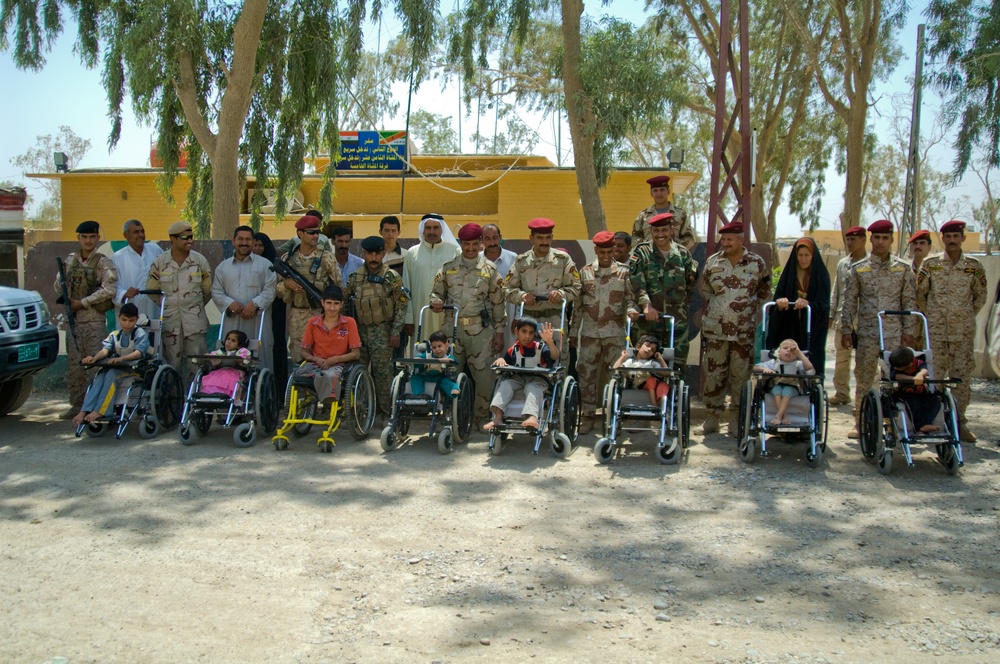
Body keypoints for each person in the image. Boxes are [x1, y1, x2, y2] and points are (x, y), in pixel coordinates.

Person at [841, 219, 916, 438]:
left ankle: (893, 421)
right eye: (877, 238)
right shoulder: (859, 269)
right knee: (864, 377)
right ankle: (861, 421)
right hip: (867, 333)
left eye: (885, 238)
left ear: (892, 239)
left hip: (894, 334)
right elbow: (850, 301)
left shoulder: (902, 269)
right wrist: (846, 329)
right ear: (871, 239)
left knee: (893, 379)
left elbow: (909, 302)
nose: (881, 242)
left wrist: (909, 331)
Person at [916, 219, 987, 442]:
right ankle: (933, 422)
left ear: (963, 238)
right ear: (943, 238)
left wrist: (962, 316)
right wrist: (935, 317)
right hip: (936, 334)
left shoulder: (974, 266)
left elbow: (980, 297)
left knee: (961, 379)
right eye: (948, 236)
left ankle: (959, 423)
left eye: (957, 236)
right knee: (934, 379)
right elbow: (921, 295)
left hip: (962, 334)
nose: (952, 240)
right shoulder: (930, 264)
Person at [699, 221, 771, 436]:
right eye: (724, 239)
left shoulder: (756, 263)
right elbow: (706, 290)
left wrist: (746, 309)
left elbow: (764, 290)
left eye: (730, 239)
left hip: (742, 331)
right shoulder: (713, 263)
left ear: (741, 240)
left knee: (740, 376)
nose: (726, 243)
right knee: (714, 374)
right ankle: (713, 417)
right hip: (716, 330)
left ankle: (735, 418)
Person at [430, 223, 506, 422]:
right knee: (448, 373)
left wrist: (499, 332)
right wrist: (435, 301)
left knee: (484, 379)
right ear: (460, 243)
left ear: (480, 243)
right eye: (466, 244)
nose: (470, 248)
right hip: (452, 331)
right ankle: (451, 416)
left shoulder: (490, 270)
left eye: (474, 243)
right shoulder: (448, 268)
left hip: (481, 332)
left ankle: (481, 418)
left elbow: (498, 304)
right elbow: (436, 293)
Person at [571, 230, 640, 434]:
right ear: (596, 251)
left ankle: (613, 417)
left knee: (616, 376)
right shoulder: (584, 273)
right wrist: (574, 331)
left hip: (615, 333)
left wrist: (632, 310)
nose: (607, 256)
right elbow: (578, 306)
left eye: (610, 251)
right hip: (590, 334)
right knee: (586, 376)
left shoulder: (624, 272)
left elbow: (630, 299)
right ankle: (587, 417)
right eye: (602, 252)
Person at [55, 220, 118, 418]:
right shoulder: (70, 261)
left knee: (97, 365)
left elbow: (109, 289)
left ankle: (98, 406)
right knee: (75, 366)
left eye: (92, 237)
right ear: (78, 238)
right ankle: (77, 405)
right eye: (84, 237)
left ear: (98, 238)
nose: (88, 241)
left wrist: (83, 302)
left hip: (93, 320)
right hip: (73, 320)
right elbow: (58, 286)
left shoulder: (102, 262)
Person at [346, 235, 409, 421]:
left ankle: (387, 412)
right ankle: (361, 412)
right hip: (359, 332)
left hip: (383, 331)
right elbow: (343, 304)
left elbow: (402, 304)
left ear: (383, 253)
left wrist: (396, 331)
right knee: (357, 373)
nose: (373, 258)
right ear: (363, 254)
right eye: (369, 254)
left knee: (383, 375)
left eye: (377, 254)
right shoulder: (355, 278)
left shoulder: (392, 277)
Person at [628, 212, 698, 366]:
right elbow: (636, 282)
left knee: (676, 365)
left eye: (664, 230)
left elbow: (690, 286)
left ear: (671, 230)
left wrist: (679, 306)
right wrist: (646, 305)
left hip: (676, 322)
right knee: (643, 365)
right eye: (656, 231)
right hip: (647, 322)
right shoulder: (642, 252)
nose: (660, 235)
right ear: (651, 232)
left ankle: (672, 391)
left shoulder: (683, 254)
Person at [147, 221, 212, 383]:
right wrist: (168, 307)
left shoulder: (199, 261)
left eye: (191, 237)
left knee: (197, 365)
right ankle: (174, 403)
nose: (189, 240)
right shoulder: (160, 262)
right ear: (172, 239)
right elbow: (152, 290)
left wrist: (192, 306)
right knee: (171, 365)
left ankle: (194, 403)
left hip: (194, 323)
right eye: (184, 237)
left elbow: (207, 290)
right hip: (171, 323)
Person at [276, 214, 344, 364]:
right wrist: (287, 284)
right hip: (298, 314)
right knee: (299, 358)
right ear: (300, 233)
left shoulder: (327, 258)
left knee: (324, 356)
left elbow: (339, 288)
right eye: (311, 232)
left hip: (323, 315)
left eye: (317, 232)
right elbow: (278, 290)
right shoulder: (288, 259)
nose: (316, 235)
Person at [211, 226, 277, 373]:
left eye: (248, 239)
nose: (244, 243)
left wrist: (254, 304)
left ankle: (259, 393)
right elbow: (216, 291)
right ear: (233, 241)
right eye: (240, 239)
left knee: (261, 359)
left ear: (253, 242)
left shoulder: (265, 265)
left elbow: (271, 290)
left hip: (258, 320)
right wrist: (230, 304)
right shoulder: (223, 267)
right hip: (232, 320)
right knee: (229, 359)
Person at [72, 303, 148, 426]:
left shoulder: (140, 334)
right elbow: (105, 350)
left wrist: (121, 359)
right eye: (124, 320)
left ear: (137, 319)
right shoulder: (115, 335)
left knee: (111, 374)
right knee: (100, 375)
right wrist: (94, 358)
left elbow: (138, 353)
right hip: (118, 368)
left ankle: (101, 411)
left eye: (131, 320)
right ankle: (84, 410)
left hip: (134, 370)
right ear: (119, 317)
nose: (127, 324)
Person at [766, 237, 831, 378]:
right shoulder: (789, 274)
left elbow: (823, 305)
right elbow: (777, 302)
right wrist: (782, 304)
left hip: (811, 328)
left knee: (811, 359)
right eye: (800, 255)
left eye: (807, 255)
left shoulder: (821, 275)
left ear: (813, 256)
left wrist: (808, 304)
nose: (803, 259)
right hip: (789, 326)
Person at [503, 217, 581, 331]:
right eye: (540, 238)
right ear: (531, 238)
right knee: (529, 349)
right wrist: (522, 296)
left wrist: (561, 294)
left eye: (548, 237)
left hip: (556, 319)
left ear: (552, 238)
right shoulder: (521, 261)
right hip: (528, 321)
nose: (544, 242)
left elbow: (576, 287)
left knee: (556, 349)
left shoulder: (563, 259)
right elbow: (506, 289)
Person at [484, 317, 560, 431]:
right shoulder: (512, 350)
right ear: (516, 332)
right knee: (505, 384)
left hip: (537, 380)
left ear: (534, 334)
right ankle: (498, 417)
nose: (527, 336)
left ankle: (532, 417)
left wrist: (549, 342)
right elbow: (505, 363)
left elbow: (554, 357)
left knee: (532, 387)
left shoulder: (541, 348)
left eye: (531, 333)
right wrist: (501, 361)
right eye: (524, 332)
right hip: (517, 379)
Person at [294, 285, 362, 404]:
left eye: (336, 303)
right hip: (316, 363)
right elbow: (304, 352)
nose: (332, 308)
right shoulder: (313, 323)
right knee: (298, 375)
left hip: (338, 364)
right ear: (322, 303)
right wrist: (316, 359)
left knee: (330, 376)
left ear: (341, 304)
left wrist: (334, 360)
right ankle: (314, 400)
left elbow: (356, 354)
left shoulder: (349, 323)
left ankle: (328, 402)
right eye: (329, 303)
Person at [402, 213, 461, 341]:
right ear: (422, 230)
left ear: (442, 230)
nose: (432, 232)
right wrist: (409, 318)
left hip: (447, 313)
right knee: (420, 351)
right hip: (420, 312)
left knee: (445, 351)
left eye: (436, 228)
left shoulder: (455, 252)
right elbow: (406, 287)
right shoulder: (412, 253)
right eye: (428, 228)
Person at [828, 226, 868, 406]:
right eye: (848, 239)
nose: (850, 243)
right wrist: (831, 313)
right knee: (842, 358)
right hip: (843, 318)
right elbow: (836, 291)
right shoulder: (843, 263)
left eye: (854, 239)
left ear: (864, 240)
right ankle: (842, 392)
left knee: (865, 360)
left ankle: (866, 395)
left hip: (865, 319)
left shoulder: (870, 263)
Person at [252, 232, 289, 390]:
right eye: (255, 245)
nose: (258, 249)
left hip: (274, 312)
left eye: (261, 245)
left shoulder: (275, 265)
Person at [754, 338, 816, 425]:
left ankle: (779, 416)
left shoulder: (798, 364)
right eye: (785, 348)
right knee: (777, 390)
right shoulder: (774, 362)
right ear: (779, 352)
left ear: (796, 355)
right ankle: (784, 416)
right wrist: (765, 369)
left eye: (792, 350)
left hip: (793, 386)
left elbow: (810, 370)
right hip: (777, 385)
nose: (788, 351)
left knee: (787, 391)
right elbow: (755, 367)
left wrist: (799, 354)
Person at [111, 218, 164, 321]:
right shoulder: (118, 257)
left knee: (155, 334)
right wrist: (124, 293)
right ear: (125, 235)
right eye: (136, 232)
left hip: (154, 309)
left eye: (142, 231)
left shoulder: (155, 250)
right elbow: (112, 288)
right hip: (130, 314)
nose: (140, 235)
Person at [631, 175, 698, 251]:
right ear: (651, 193)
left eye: (662, 190)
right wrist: (647, 247)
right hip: (649, 259)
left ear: (668, 192)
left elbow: (690, 239)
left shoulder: (680, 214)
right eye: (655, 190)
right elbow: (634, 238)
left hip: (673, 258)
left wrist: (673, 247)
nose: (659, 194)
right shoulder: (643, 215)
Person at [481, 223, 519, 350]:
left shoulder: (513, 259)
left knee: (508, 349)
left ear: (500, 237)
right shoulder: (477, 260)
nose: (492, 242)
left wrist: (518, 316)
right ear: (481, 240)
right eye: (487, 238)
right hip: (483, 313)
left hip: (509, 311)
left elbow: (521, 288)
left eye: (495, 238)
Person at [888, 345, 942, 433]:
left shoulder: (918, 362)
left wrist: (920, 375)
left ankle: (925, 425)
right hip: (904, 393)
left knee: (935, 401)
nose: (895, 368)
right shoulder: (896, 364)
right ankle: (921, 427)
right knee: (914, 403)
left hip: (921, 392)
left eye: (898, 368)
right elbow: (897, 376)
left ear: (910, 364)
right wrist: (912, 379)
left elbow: (924, 370)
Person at [612, 335, 670, 407]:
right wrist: (622, 358)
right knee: (651, 380)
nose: (649, 349)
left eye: (652, 350)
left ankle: (660, 408)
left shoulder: (652, 363)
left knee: (662, 385)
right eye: (647, 345)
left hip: (651, 386)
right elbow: (615, 368)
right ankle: (654, 405)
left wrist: (660, 359)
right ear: (638, 347)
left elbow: (667, 373)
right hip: (636, 387)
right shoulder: (630, 362)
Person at [408, 330, 461, 397]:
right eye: (434, 347)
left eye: (439, 346)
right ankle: (418, 395)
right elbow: (418, 359)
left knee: (446, 382)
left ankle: (454, 389)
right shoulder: (428, 354)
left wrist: (440, 360)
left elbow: (453, 360)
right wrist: (420, 360)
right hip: (425, 375)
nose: (437, 349)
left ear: (446, 345)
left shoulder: (447, 356)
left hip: (440, 377)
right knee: (415, 378)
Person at [200, 329, 253, 397]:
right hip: (219, 372)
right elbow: (211, 356)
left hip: (235, 372)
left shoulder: (242, 351)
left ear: (239, 345)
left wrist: (234, 358)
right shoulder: (220, 352)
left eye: (233, 341)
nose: (228, 342)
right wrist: (208, 356)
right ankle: (209, 394)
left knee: (227, 378)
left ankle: (223, 395)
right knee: (212, 378)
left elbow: (244, 359)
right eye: (228, 339)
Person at [908, 229, 933, 350]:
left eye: (922, 243)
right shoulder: (903, 269)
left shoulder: (937, 269)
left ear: (929, 247)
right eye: (915, 243)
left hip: (931, 324)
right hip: (909, 325)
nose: (918, 246)